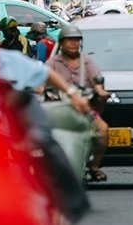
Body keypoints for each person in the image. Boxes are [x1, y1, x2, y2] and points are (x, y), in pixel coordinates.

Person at [0, 18, 93, 222]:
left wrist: (72, 94)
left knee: (44, 142)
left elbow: (43, 75)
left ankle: (70, 202)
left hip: (18, 124)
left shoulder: (12, 64)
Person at [47, 24, 111, 183]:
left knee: (103, 131)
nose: (73, 43)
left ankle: (94, 167)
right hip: (59, 108)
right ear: (61, 43)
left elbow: (97, 80)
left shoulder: (86, 61)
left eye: (76, 40)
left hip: (83, 108)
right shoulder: (53, 62)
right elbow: (41, 80)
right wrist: (39, 90)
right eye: (69, 40)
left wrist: (100, 91)